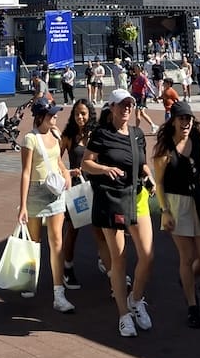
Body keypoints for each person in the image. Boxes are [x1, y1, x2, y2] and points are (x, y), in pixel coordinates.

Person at [82, 90, 155, 338]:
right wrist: (105, 168)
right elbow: (86, 164)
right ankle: (124, 314)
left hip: (137, 197)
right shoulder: (102, 135)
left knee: (147, 255)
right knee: (119, 259)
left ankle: (136, 299)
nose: (126, 108)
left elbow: (141, 162)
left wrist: (149, 176)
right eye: (122, 104)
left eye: (130, 104)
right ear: (111, 107)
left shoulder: (137, 134)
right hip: (112, 200)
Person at [153, 101, 200, 328]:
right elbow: (159, 184)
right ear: (173, 120)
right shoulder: (165, 149)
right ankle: (192, 306)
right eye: (182, 118)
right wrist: (165, 210)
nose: (186, 123)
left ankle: (188, 280)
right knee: (186, 257)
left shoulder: (196, 143)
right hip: (176, 204)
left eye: (189, 119)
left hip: (199, 201)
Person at [16, 98, 75, 313]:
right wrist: (22, 205)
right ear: (41, 116)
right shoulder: (30, 139)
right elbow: (25, 172)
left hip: (55, 192)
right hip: (36, 191)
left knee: (57, 241)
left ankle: (58, 293)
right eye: (51, 114)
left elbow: (58, 160)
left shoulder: (56, 134)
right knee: (34, 241)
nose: (55, 117)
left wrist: (66, 172)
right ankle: (30, 280)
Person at [58, 98, 102, 289]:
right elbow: (55, 159)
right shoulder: (68, 135)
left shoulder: (96, 134)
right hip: (76, 188)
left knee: (100, 228)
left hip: (96, 185)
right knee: (73, 230)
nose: (80, 117)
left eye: (83, 113)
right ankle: (67, 268)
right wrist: (67, 172)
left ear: (90, 114)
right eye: (77, 114)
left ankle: (105, 261)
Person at [129, 64, 157, 134]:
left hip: (141, 97)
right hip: (135, 96)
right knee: (142, 113)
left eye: (136, 68)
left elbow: (148, 86)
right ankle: (153, 125)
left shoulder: (143, 77)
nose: (135, 69)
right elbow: (133, 87)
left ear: (140, 69)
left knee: (137, 113)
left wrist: (154, 95)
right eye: (134, 68)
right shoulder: (135, 77)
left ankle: (137, 129)